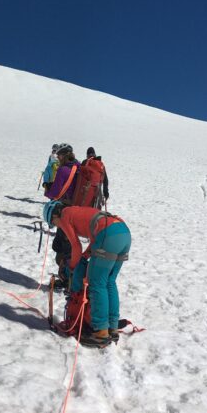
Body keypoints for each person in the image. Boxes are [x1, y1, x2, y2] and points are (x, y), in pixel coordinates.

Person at [43, 201, 131, 347]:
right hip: (123, 232)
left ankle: (101, 332)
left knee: (97, 283)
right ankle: (112, 327)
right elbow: (95, 238)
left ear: (55, 215)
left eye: (54, 223)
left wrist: (71, 268)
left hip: (108, 234)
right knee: (109, 281)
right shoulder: (76, 209)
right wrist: (85, 256)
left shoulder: (65, 216)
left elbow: (76, 246)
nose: (58, 226)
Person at [44, 144, 79, 288]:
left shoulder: (63, 170)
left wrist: (47, 188)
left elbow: (54, 193)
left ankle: (67, 280)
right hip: (78, 211)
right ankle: (69, 278)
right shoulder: (79, 167)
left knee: (63, 247)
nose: (57, 158)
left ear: (64, 155)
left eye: (59, 156)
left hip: (64, 212)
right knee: (69, 245)